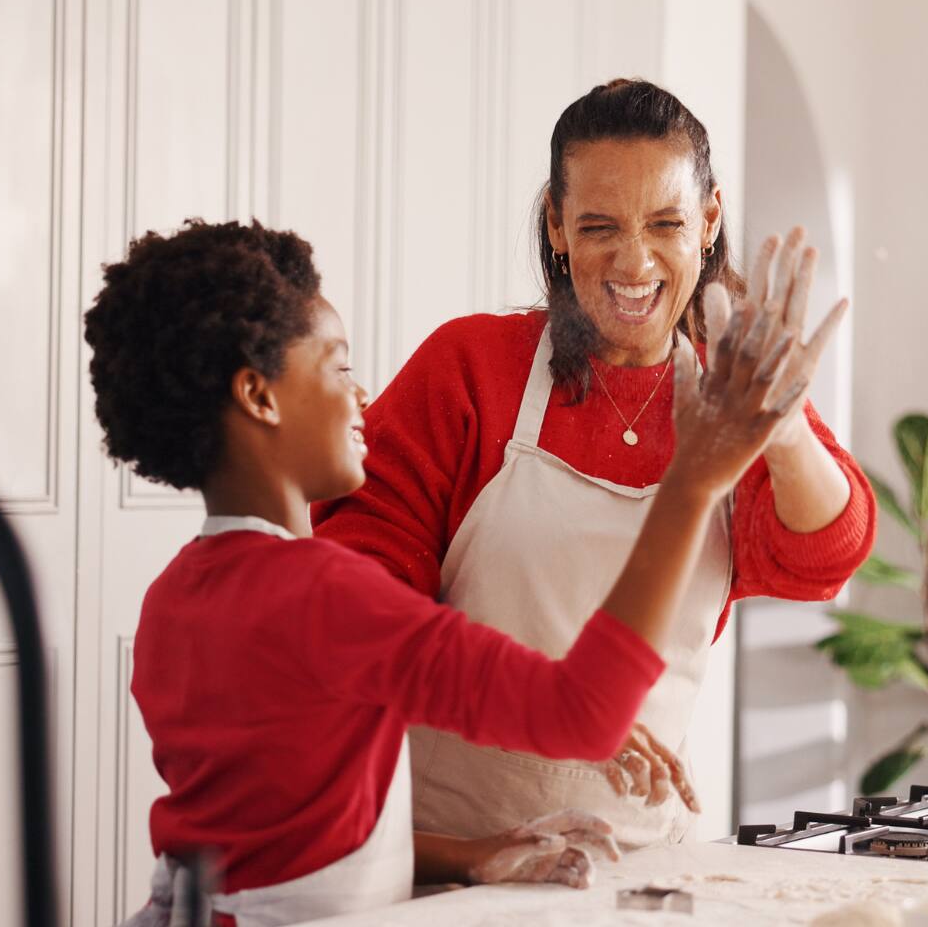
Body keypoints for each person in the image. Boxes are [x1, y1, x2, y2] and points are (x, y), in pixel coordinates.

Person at [85, 219, 806, 925]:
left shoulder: (175, 596)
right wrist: (693, 482)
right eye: (336, 365)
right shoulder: (323, 592)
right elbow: (582, 711)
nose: (361, 396)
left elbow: (284, 849)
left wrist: (473, 855)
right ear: (259, 396)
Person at [314, 79, 876, 850]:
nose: (634, 260)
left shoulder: (731, 386)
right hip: (450, 849)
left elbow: (826, 558)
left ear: (709, 222)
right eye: (600, 225)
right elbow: (363, 605)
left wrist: (781, 430)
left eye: (667, 223)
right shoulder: (470, 368)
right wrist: (562, 707)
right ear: (556, 224)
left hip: (636, 853)